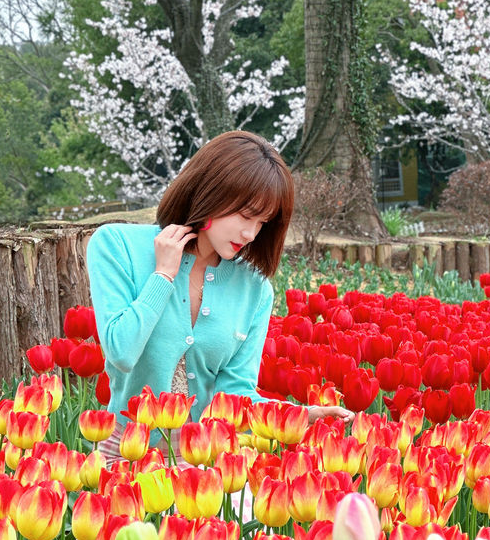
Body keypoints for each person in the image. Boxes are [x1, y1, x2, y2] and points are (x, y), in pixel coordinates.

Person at [86, 130, 353, 460]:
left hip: (204, 461)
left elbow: (235, 394)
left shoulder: (254, 290)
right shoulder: (116, 246)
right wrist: (163, 275)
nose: (250, 233)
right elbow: (122, 353)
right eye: (245, 215)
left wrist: (299, 416)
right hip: (126, 451)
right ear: (210, 193)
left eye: (262, 222)